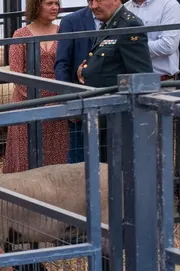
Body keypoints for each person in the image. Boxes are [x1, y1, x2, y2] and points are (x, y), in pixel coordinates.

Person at [4, 0, 69, 173]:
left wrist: (60, 97)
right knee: (26, 155)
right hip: (27, 103)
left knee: (56, 155)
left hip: (57, 102)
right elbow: (16, 72)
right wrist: (36, 98)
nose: (55, 7)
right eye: (49, 3)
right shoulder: (21, 35)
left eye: (57, 3)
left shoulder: (63, 32)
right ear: (36, 6)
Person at [55, 2, 102, 164]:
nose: (95, 4)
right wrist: (69, 100)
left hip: (111, 105)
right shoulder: (71, 21)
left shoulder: (122, 20)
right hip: (81, 102)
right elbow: (62, 64)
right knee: (79, 161)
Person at [77, 0, 153, 88]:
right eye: (90, 1)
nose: (93, 6)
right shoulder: (108, 23)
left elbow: (142, 77)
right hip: (102, 96)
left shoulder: (129, 26)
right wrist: (84, 71)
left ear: (116, 1)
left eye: (99, 0)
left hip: (115, 98)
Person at [123, 0, 180, 81]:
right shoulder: (125, 7)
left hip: (162, 83)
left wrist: (132, 48)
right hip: (128, 82)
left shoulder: (169, 5)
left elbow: (168, 45)